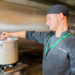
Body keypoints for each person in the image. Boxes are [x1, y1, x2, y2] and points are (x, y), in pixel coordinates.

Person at [1, 4, 75, 75]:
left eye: (49, 19)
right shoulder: (47, 36)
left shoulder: (72, 43)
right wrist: (10, 34)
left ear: (60, 16)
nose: (47, 23)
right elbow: (30, 34)